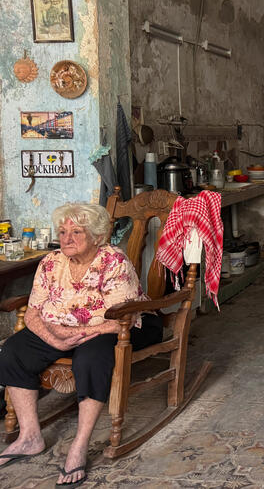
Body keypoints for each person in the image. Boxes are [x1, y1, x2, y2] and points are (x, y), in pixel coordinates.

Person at [0, 202, 162, 487]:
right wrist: (55, 339)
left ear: (97, 236)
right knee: (13, 351)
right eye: (63, 232)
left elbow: (120, 319)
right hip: (61, 328)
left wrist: (75, 334)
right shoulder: (51, 262)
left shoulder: (113, 261)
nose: (67, 238)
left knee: (90, 358)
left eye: (77, 232)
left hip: (118, 326)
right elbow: (34, 314)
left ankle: (79, 445)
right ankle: (29, 437)